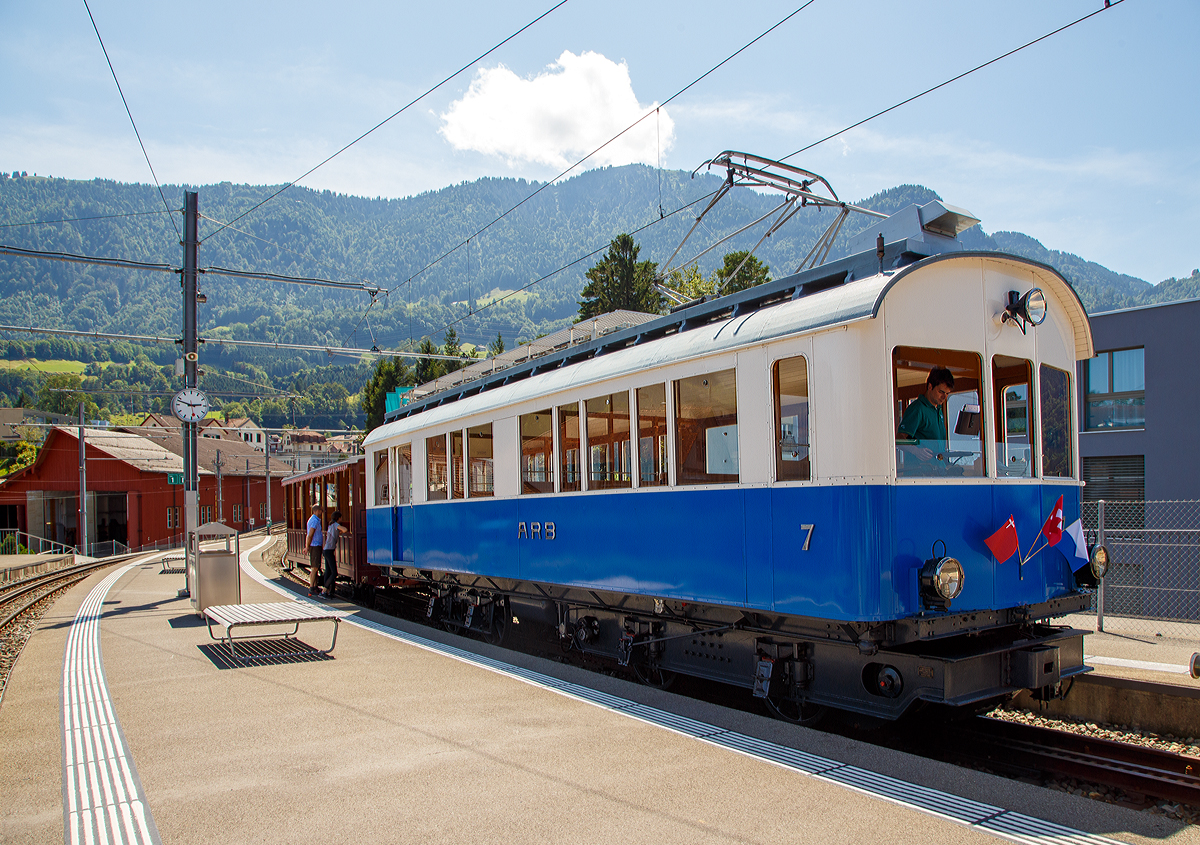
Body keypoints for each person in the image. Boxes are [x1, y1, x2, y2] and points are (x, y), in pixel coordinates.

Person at [897, 367, 954, 464]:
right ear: (930, 387)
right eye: (941, 392)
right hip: (920, 473)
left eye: (947, 393)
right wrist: (915, 451)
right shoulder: (917, 408)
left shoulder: (938, 410)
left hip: (938, 471)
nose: (944, 397)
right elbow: (899, 438)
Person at [321, 510, 342, 599]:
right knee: (334, 573)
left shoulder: (331, 525)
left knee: (328, 571)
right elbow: (345, 529)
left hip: (326, 550)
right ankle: (324, 590)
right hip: (329, 551)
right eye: (341, 518)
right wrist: (342, 530)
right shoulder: (336, 525)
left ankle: (328, 592)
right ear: (338, 518)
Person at [305, 504, 324, 597]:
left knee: (316, 567)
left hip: (315, 546)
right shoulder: (315, 521)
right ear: (317, 511)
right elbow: (310, 534)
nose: (322, 512)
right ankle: (311, 587)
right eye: (321, 511)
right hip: (315, 546)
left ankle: (315, 586)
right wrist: (307, 546)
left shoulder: (313, 520)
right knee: (314, 567)